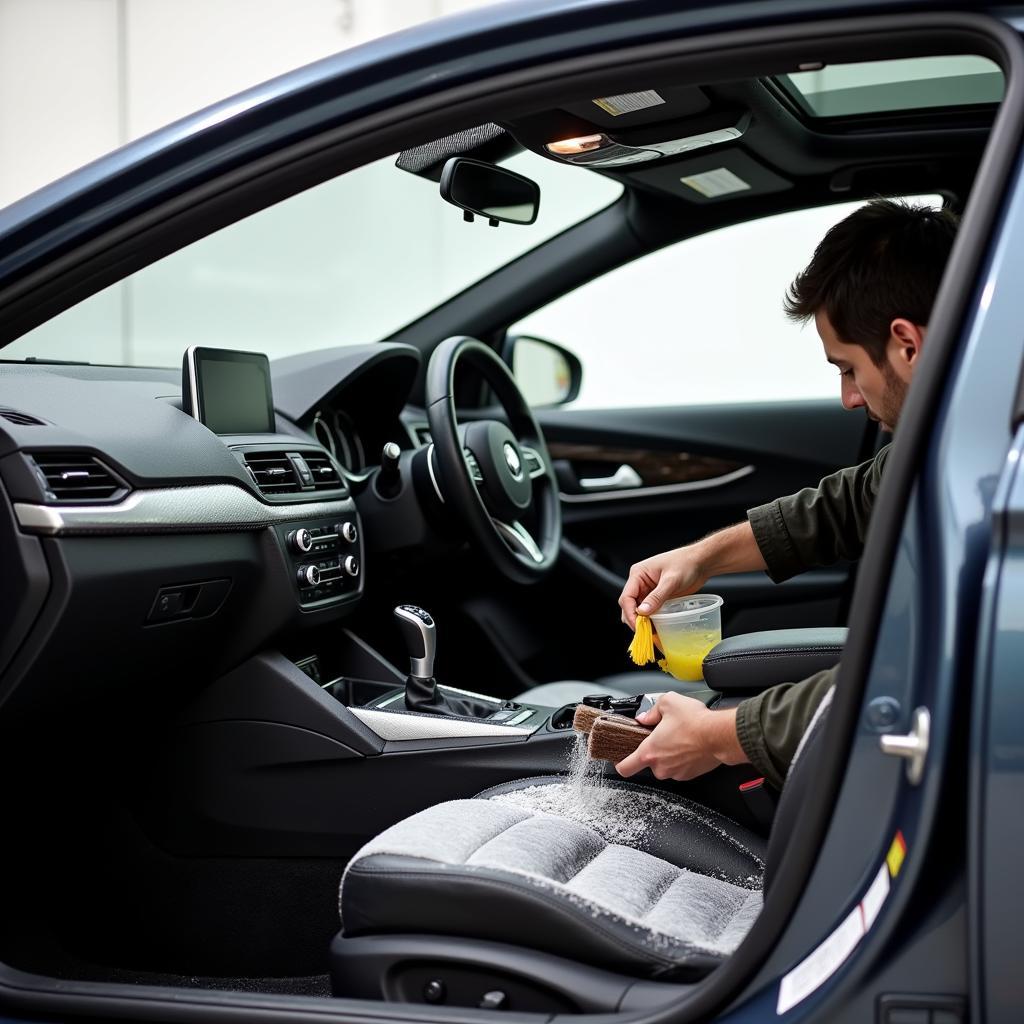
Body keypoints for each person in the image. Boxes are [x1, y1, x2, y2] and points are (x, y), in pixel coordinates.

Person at [615, 198, 958, 790]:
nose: (849, 397)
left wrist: (719, 737)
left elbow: (925, 673)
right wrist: (700, 560)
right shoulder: (958, 434)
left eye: (848, 368)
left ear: (907, 344)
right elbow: (844, 507)